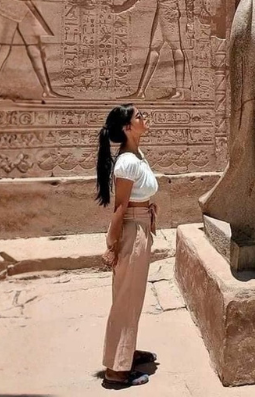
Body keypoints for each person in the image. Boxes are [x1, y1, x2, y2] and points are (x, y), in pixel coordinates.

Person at [96, 104, 159, 387]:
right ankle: (117, 371)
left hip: (140, 226)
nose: (144, 118)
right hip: (132, 230)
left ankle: (126, 352)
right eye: (138, 116)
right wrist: (113, 245)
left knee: (131, 297)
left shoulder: (136, 155)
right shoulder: (127, 163)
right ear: (126, 128)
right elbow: (120, 208)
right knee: (126, 298)